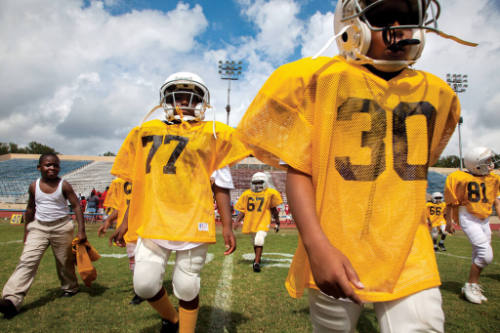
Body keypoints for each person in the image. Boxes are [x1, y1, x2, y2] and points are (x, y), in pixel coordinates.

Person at [236, 0, 477, 331]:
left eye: (409, 19)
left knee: (425, 325)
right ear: (351, 27)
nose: (399, 29)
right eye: (381, 18)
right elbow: (299, 169)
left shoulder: (438, 93)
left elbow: (415, 169)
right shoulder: (320, 79)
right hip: (338, 244)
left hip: (408, 245)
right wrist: (317, 246)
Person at [110, 72, 249, 333]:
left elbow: (220, 184)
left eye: (191, 96)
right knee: (144, 284)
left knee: (186, 286)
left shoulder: (213, 134)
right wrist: (126, 220)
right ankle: (172, 319)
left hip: (193, 219)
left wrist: (227, 226)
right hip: (155, 219)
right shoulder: (145, 131)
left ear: (200, 102)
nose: (184, 100)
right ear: (167, 98)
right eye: (179, 94)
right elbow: (139, 183)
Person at [0, 153, 87, 319]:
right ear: (39, 167)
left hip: (61, 226)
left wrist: (81, 230)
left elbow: (76, 206)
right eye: (48, 165)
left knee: (64, 262)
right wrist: (27, 231)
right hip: (39, 227)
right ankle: (11, 300)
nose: (52, 168)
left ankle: (70, 288)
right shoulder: (34, 186)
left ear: (59, 168)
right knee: (27, 261)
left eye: (55, 165)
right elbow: (30, 209)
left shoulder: (64, 185)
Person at [444, 146, 500, 304]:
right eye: (487, 161)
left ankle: (472, 285)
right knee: (485, 254)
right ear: (476, 164)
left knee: (480, 251)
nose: (491, 164)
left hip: (484, 218)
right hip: (468, 216)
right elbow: (450, 203)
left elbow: (496, 201)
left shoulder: (493, 178)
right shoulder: (458, 178)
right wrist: (449, 222)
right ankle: (471, 285)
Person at [98, 177, 145, 305]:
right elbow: (121, 206)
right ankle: (139, 291)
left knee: (150, 260)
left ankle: (150, 288)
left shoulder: (147, 173)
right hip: (130, 226)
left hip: (149, 223)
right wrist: (108, 220)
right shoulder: (120, 182)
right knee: (133, 260)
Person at [234, 172, 283, 272]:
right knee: (255, 242)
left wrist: (277, 221)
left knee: (259, 240)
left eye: (260, 182)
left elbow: (274, 209)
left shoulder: (270, 193)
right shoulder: (247, 194)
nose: (258, 185)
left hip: (263, 220)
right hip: (251, 221)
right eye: (256, 183)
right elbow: (243, 210)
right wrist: (237, 221)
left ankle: (256, 262)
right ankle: (257, 258)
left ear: (265, 182)